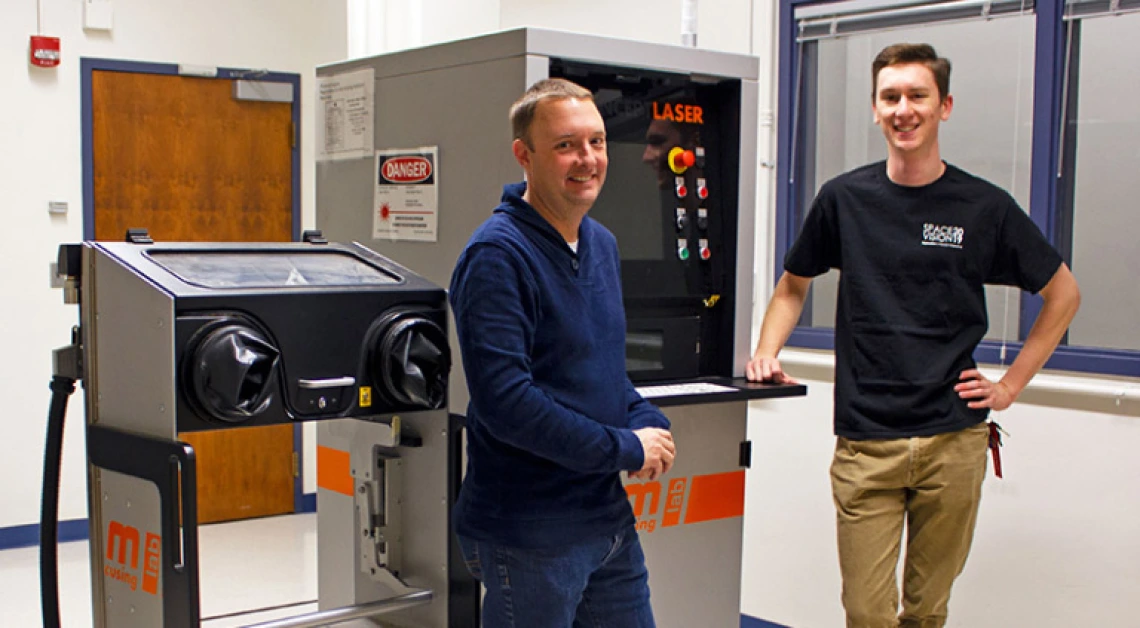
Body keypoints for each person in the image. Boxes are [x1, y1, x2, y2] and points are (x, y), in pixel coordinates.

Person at [745, 43, 1080, 627]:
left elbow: (1063, 294)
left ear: (944, 106)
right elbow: (793, 285)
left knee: (927, 613)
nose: (904, 109)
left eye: (917, 96)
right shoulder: (845, 199)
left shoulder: (983, 207)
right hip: (866, 441)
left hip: (953, 443)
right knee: (867, 612)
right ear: (876, 110)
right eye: (890, 97)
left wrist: (1008, 388)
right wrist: (765, 352)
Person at [449, 77, 676, 628]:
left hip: (604, 521)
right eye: (566, 145)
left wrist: (644, 419)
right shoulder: (496, 256)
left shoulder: (600, 243)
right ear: (523, 156)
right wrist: (625, 447)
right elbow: (508, 402)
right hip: (529, 533)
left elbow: (599, 369)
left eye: (596, 143)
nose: (587, 159)